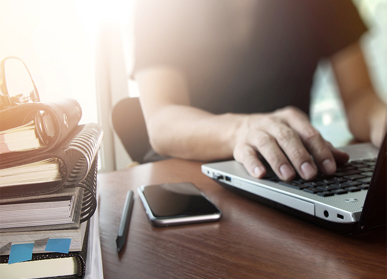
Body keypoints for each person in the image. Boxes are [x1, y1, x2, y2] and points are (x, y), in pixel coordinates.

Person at [131, 0, 387, 181]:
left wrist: (381, 121)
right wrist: (241, 130)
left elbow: (359, 95)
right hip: (191, 176)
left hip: (292, 175)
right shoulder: (158, 6)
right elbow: (162, 120)